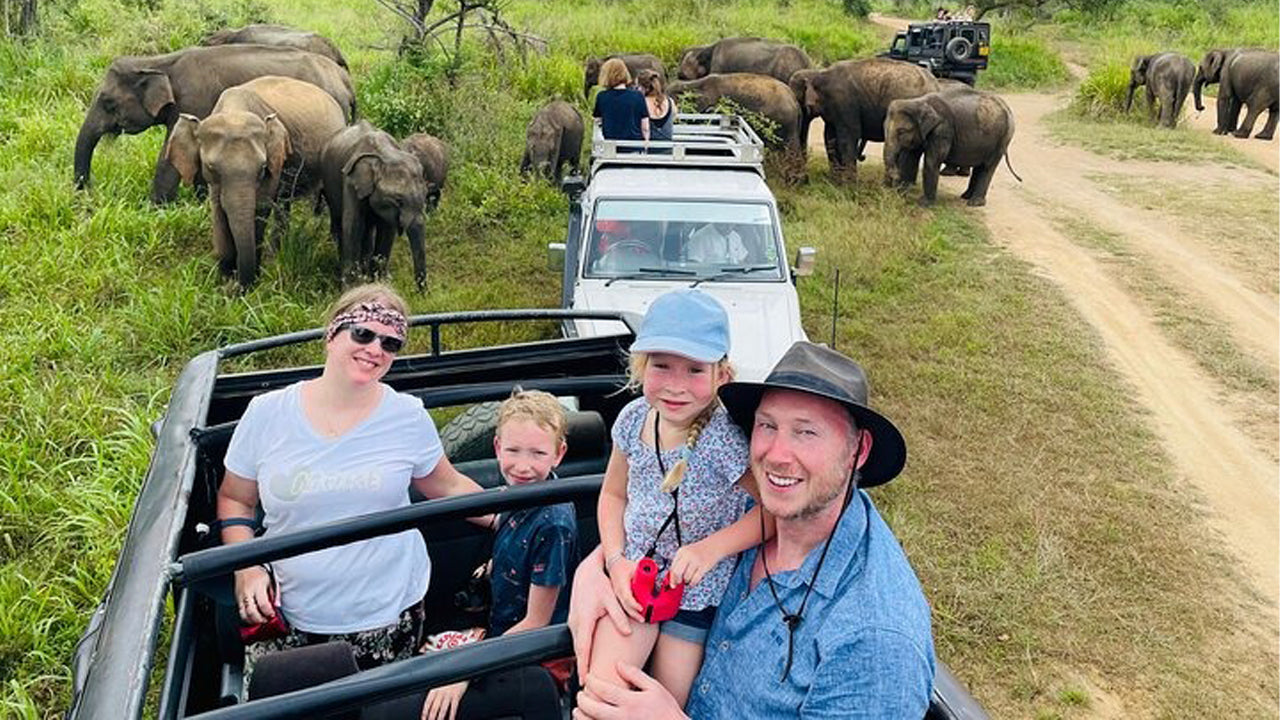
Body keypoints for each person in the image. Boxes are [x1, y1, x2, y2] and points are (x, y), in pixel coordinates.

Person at [570, 342, 936, 718]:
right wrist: (596, 570)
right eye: (767, 425)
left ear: (858, 450)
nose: (776, 454)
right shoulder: (750, 505)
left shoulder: (875, 640)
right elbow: (656, 528)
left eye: (806, 433)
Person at [216, 283, 493, 693]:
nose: (375, 349)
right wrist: (246, 566)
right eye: (362, 334)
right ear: (332, 333)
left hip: (387, 615)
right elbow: (235, 497)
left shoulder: (406, 416)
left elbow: (447, 486)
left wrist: (509, 516)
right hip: (290, 614)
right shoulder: (268, 413)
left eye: (391, 342)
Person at [590, 289, 771, 708]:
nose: (675, 385)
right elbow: (613, 494)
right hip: (635, 578)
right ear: (641, 366)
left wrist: (711, 549)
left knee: (667, 701)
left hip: (694, 594)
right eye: (662, 365)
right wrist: (615, 562)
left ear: (721, 375)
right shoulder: (633, 419)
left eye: (694, 369)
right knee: (602, 694)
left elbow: (773, 512)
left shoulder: (724, 440)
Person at [421, 389, 579, 720]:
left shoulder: (554, 525)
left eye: (538, 453)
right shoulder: (516, 495)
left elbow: (538, 623)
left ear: (559, 453)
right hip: (500, 629)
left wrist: (468, 667)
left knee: (442, 701)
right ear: (496, 447)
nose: (523, 466)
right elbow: (504, 527)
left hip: (536, 656)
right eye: (513, 450)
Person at [593, 58, 650, 146]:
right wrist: (645, 144)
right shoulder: (638, 96)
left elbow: (598, 123)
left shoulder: (602, 97)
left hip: (610, 149)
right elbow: (645, 127)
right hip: (634, 148)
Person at [638, 69, 675, 147]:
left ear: (643, 87)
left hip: (649, 150)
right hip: (668, 149)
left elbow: (644, 128)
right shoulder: (670, 101)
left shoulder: (641, 103)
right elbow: (673, 117)